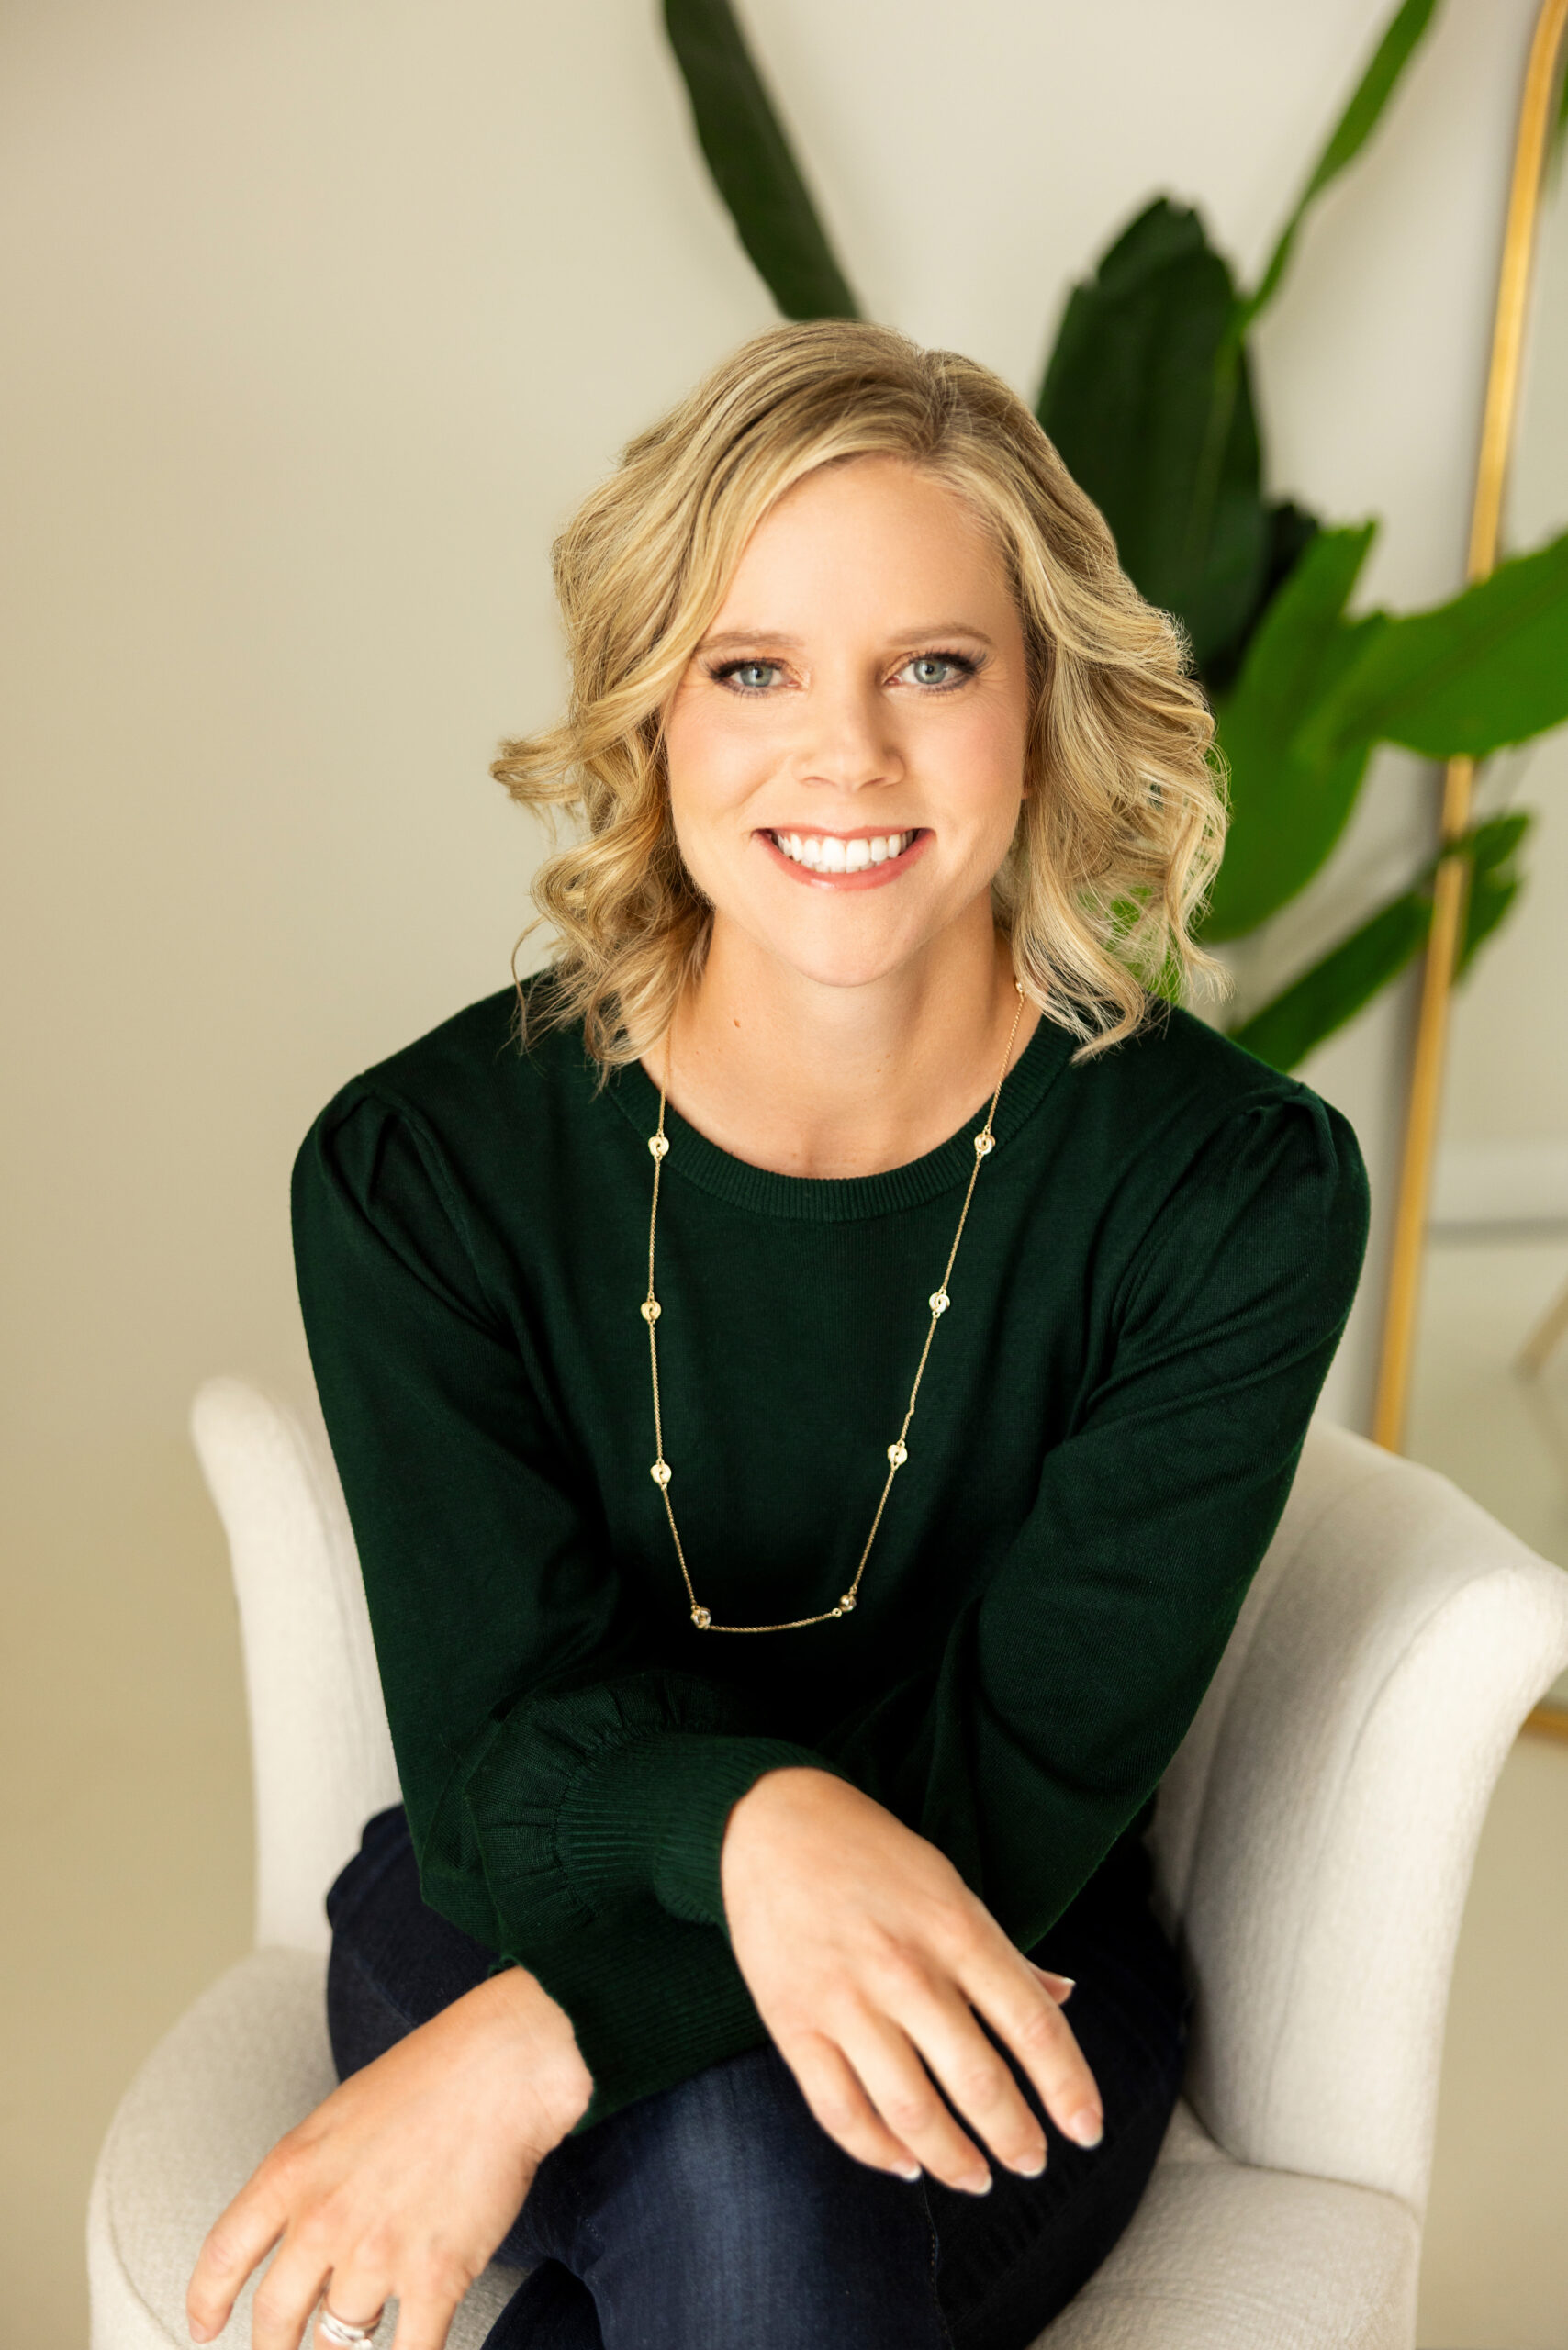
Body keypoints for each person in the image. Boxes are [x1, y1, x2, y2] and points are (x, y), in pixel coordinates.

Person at [186, 320, 1368, 2350]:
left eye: (932, 665)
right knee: (747, 2166)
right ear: (650, 711)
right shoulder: (420, 1167)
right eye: (752, 670)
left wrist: (538, 2046)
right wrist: (751, 1823)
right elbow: (494, 1756)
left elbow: (1019, 1778)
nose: (848, 755)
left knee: (745, 2174)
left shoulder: (1227, 1191)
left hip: (998, 1934)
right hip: (501, 1891)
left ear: (1041, 707)